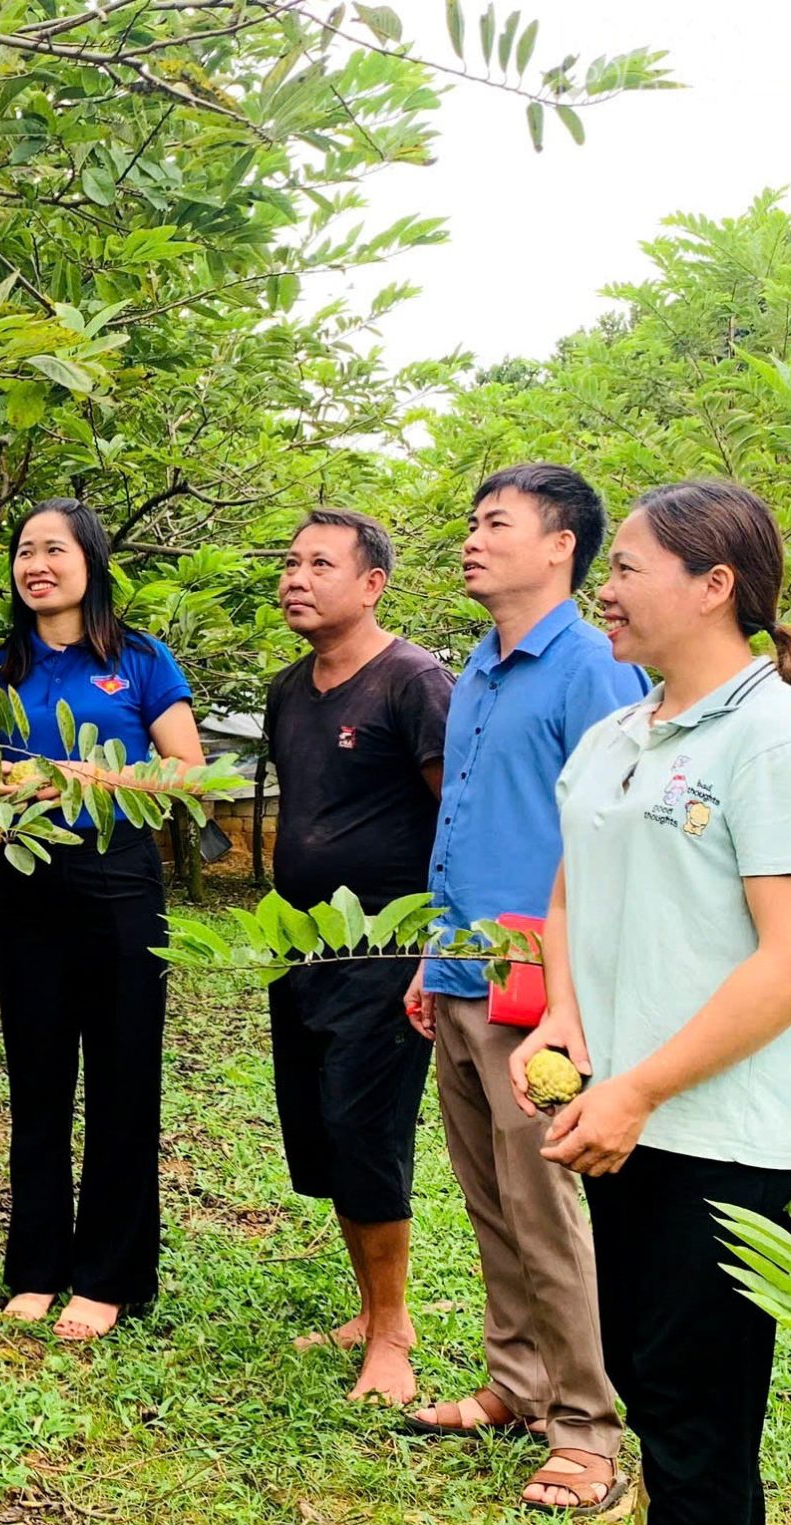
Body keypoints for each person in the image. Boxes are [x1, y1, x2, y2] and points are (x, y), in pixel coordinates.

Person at [517, 481, 791, 1525]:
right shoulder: (617, 734)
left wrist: (645, 1085)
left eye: (632, 565)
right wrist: (568, 1028)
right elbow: (566, 891)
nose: (608, 585)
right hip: (627, 1114)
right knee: (683, 1394)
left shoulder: (774, 742)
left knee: (696, 1407)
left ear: (714, 583)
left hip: (726, 1132)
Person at [399, 463, 648, 1513]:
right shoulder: (482, 665)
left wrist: (569, 1001)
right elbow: (465, 824)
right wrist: (428, 953)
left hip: (540, 989)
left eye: (494, 523)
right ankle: (517, 1383)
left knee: (545, 1204)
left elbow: (615, 839)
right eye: (469, 522)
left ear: (560, 547)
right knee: (488, 1195)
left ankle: (588, 1430)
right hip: (460, 972)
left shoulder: (592, 667)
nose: (470, 539)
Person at [0, 499, 206, 1343]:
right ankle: (36, 1266)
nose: (36, 565)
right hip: (30, 886)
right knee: (38, 1078)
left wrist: (89, 780)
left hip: (121, 884)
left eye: (53, 549)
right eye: (24, 551)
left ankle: (110, 1275)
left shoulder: (138, 661)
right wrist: (4, 787)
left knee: (124, 1078)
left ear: (90, 562)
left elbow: (189, 773)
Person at [262, 509, 453, 1405]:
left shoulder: (413, 681)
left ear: (372, 584)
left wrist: (438, 944)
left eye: (321, 565)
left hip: (387, 945)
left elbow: (460, 816)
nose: (297, 578)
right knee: (326, 1129)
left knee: (369, 1130)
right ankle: (367, 1311)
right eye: (292, 563)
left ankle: (392, 1336)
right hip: (301, 947)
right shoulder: (289, 689)